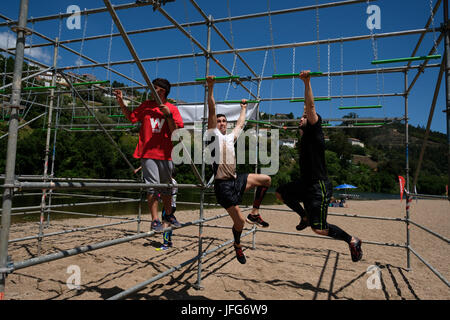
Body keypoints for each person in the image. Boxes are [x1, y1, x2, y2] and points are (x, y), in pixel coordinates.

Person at [275, 70, 363, 263]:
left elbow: (310, 106)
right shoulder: (304, 136)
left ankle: (352, 240)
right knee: (281, 192)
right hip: (305, 184)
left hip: (318, 187)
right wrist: (303, 114)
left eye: (303, 118)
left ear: (313, 120)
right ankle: (304, 216)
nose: (300, 119)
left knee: (320, 229)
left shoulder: (315, 131)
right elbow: (305, 111)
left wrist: (306, 83)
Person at [206, 75, 271, 265]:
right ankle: (237, 244)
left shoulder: (229, 138)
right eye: (219, 121)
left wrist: (243, 109)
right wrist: (211, 87)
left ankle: (255, 212)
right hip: (223, 186)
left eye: (224, 121)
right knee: (240, 223)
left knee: (266, 180)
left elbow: (240, 124)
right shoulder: (212, 137)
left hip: (236, 179)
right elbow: (211, 110)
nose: (222, 123)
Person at [114, 78, 184, 232]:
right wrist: (120, 102)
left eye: (155, 88)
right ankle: (154, 220)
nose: (151, 90)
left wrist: (169, 116)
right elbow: (131, 118)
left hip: (166, 154)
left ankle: (169, 215)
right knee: (152, 186)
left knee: (167, 187)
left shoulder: (171, 108)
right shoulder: (146, 105)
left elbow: (176, 134)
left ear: (162, 91)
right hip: (147, 152)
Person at [160, 176, 178, 249]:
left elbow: (167, 194)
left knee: (165, 224)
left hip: (168, 206)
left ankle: (165, 244)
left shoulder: (170, 182)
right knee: (169, 223)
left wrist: (159, 195)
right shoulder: (175, 181)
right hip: (173, 205)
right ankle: (169, 242)